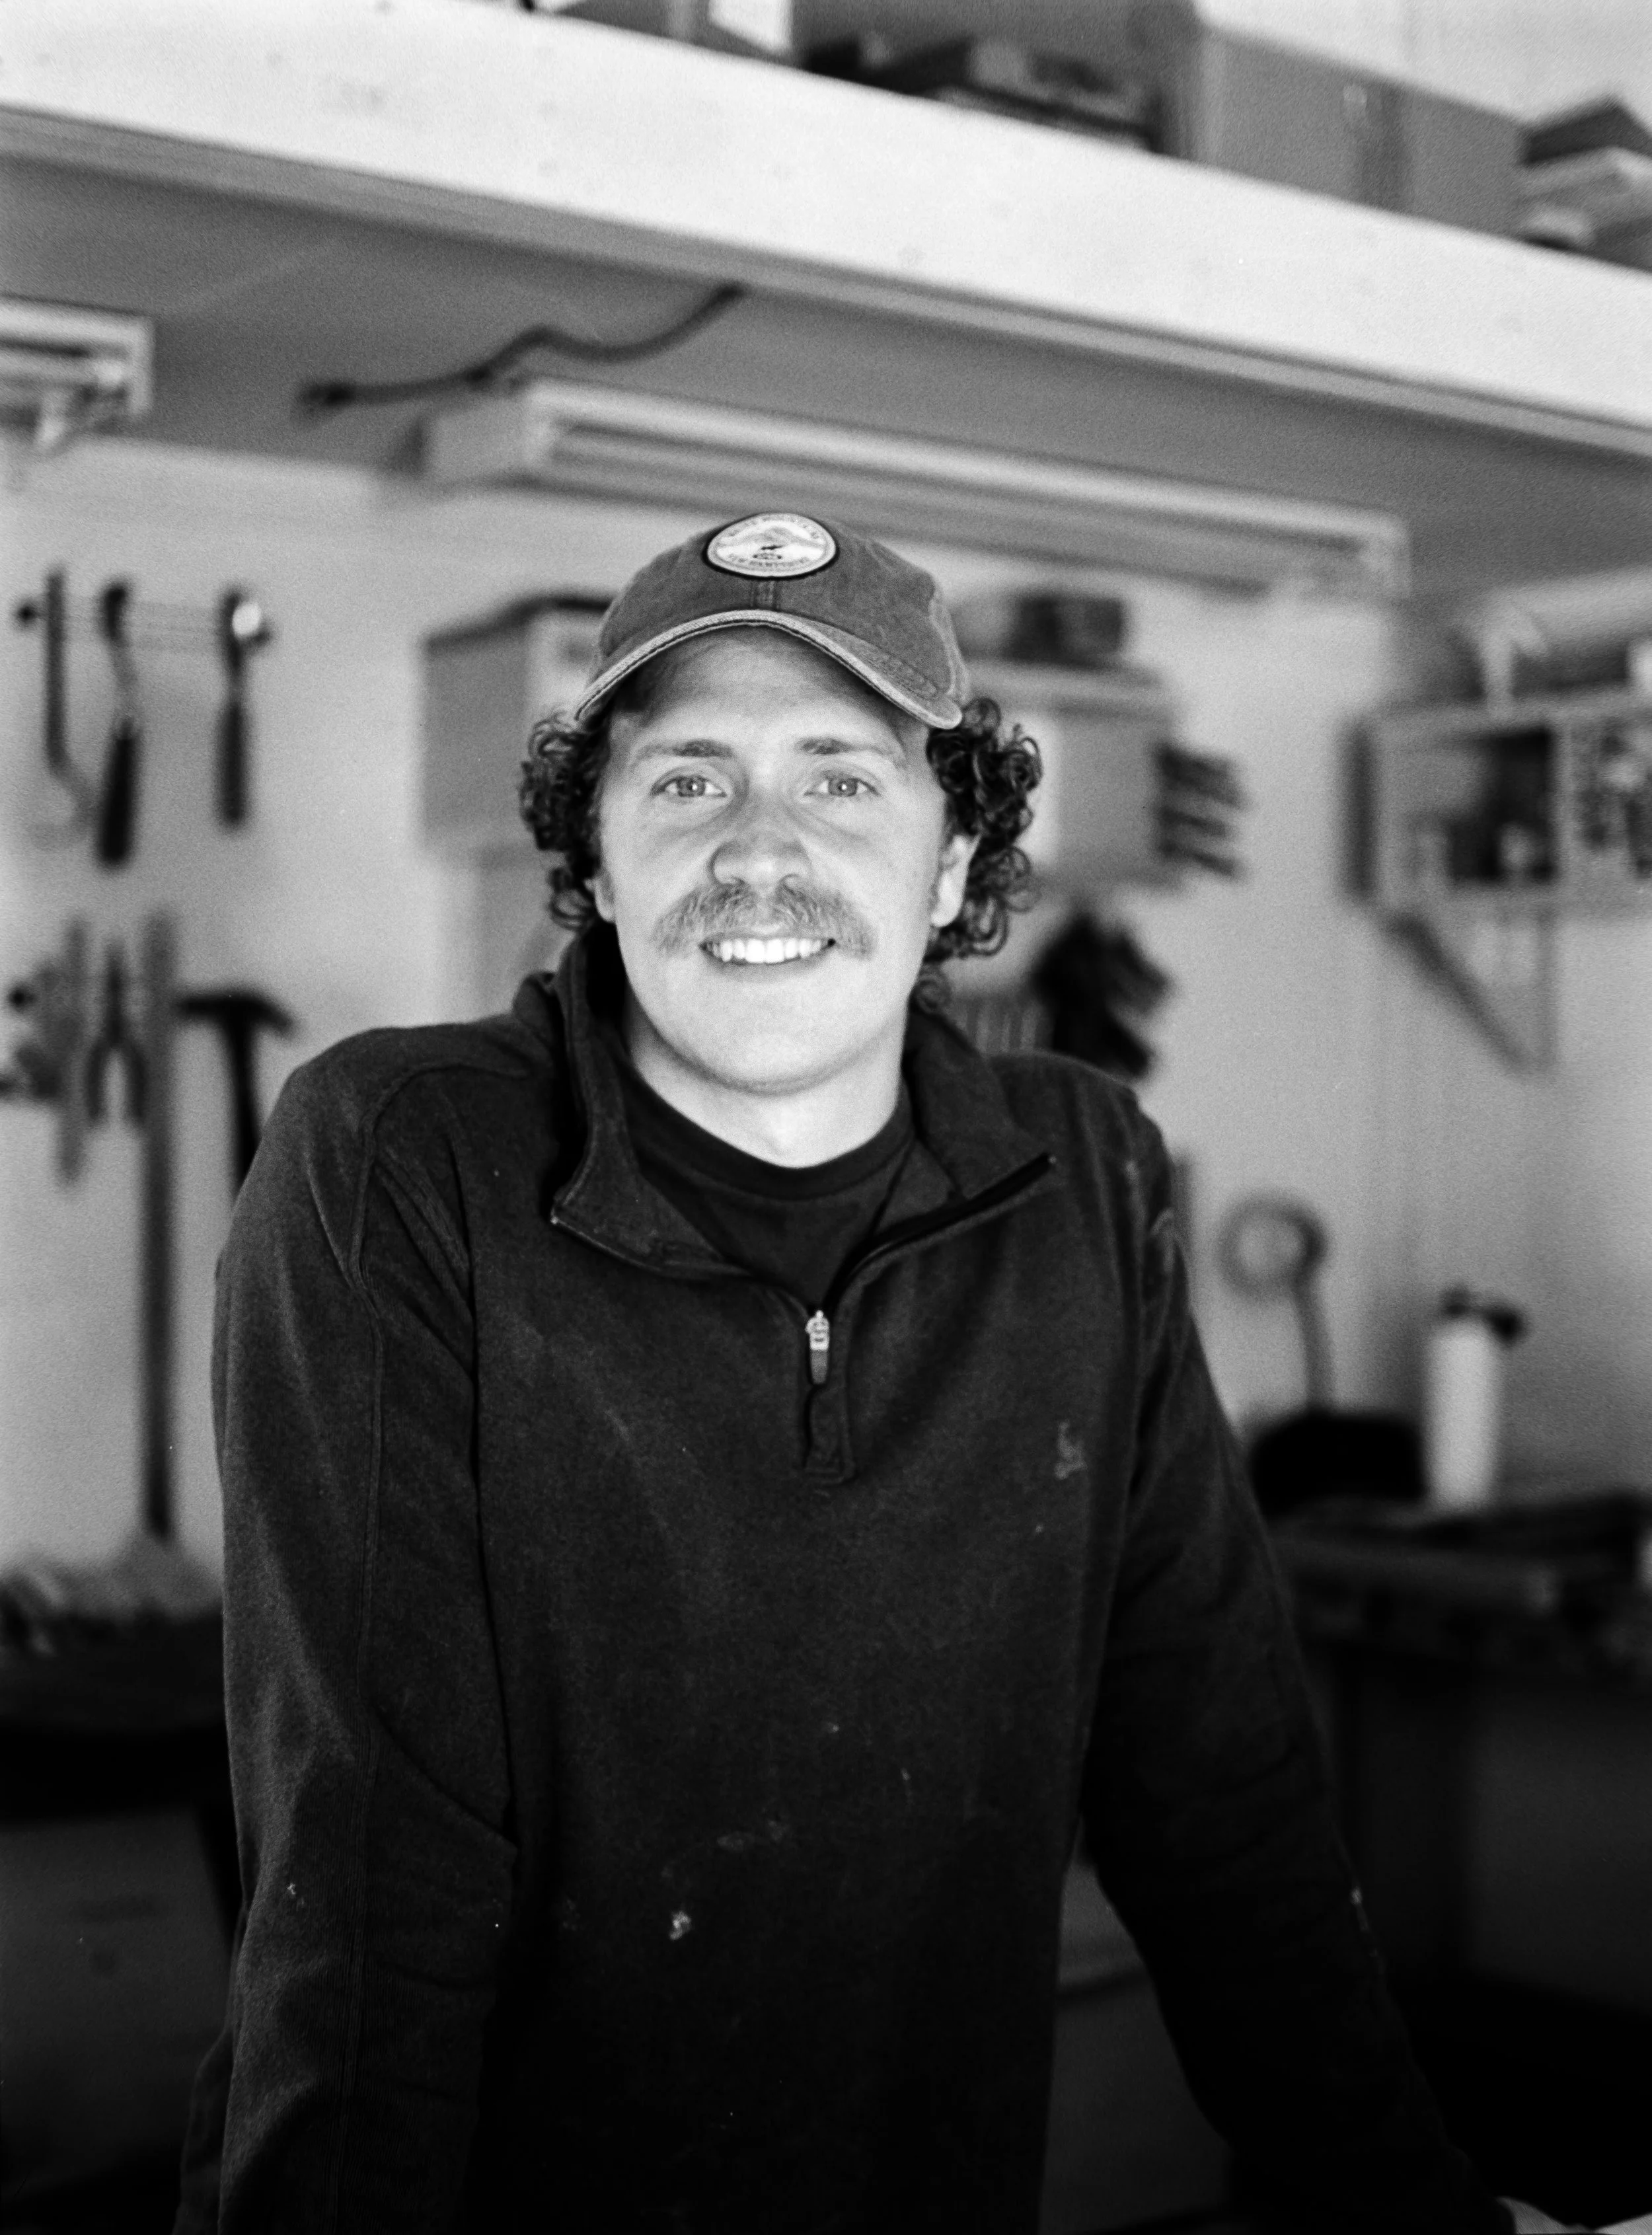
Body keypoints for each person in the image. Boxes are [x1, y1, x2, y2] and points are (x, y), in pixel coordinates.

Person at [177, 514, 1573, 2234]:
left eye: (840, 778)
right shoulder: (407, 1161)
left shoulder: (1081, 1177)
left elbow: (1223, 1804)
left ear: (950, 855)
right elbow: (375, 1878)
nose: (759, 849)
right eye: (685, 779)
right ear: (595, 858)